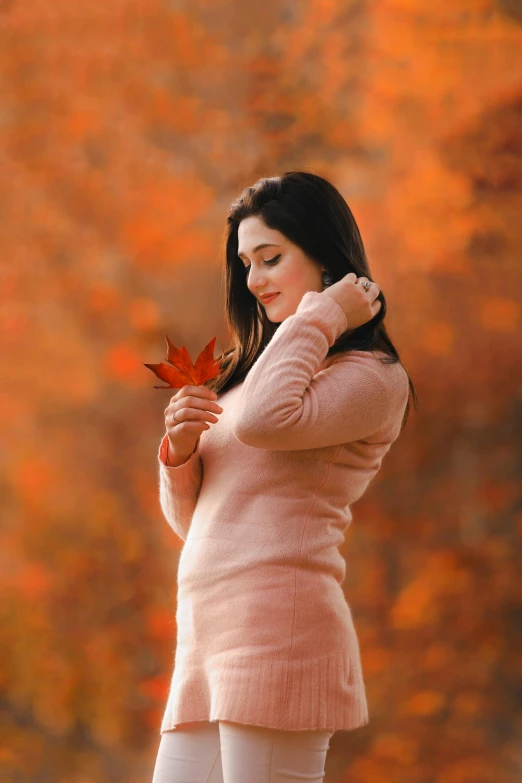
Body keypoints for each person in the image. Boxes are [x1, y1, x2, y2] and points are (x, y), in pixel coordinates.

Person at [151, 171, 417, 783]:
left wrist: (322, 314)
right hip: (207, 639)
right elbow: (198, 525)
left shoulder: (371, 378)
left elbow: (269, 421)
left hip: (279, 636)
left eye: (270, 259)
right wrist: (182, 450)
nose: (253, 280)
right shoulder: (249, 377)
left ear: (325, 257)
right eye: (245, 263)